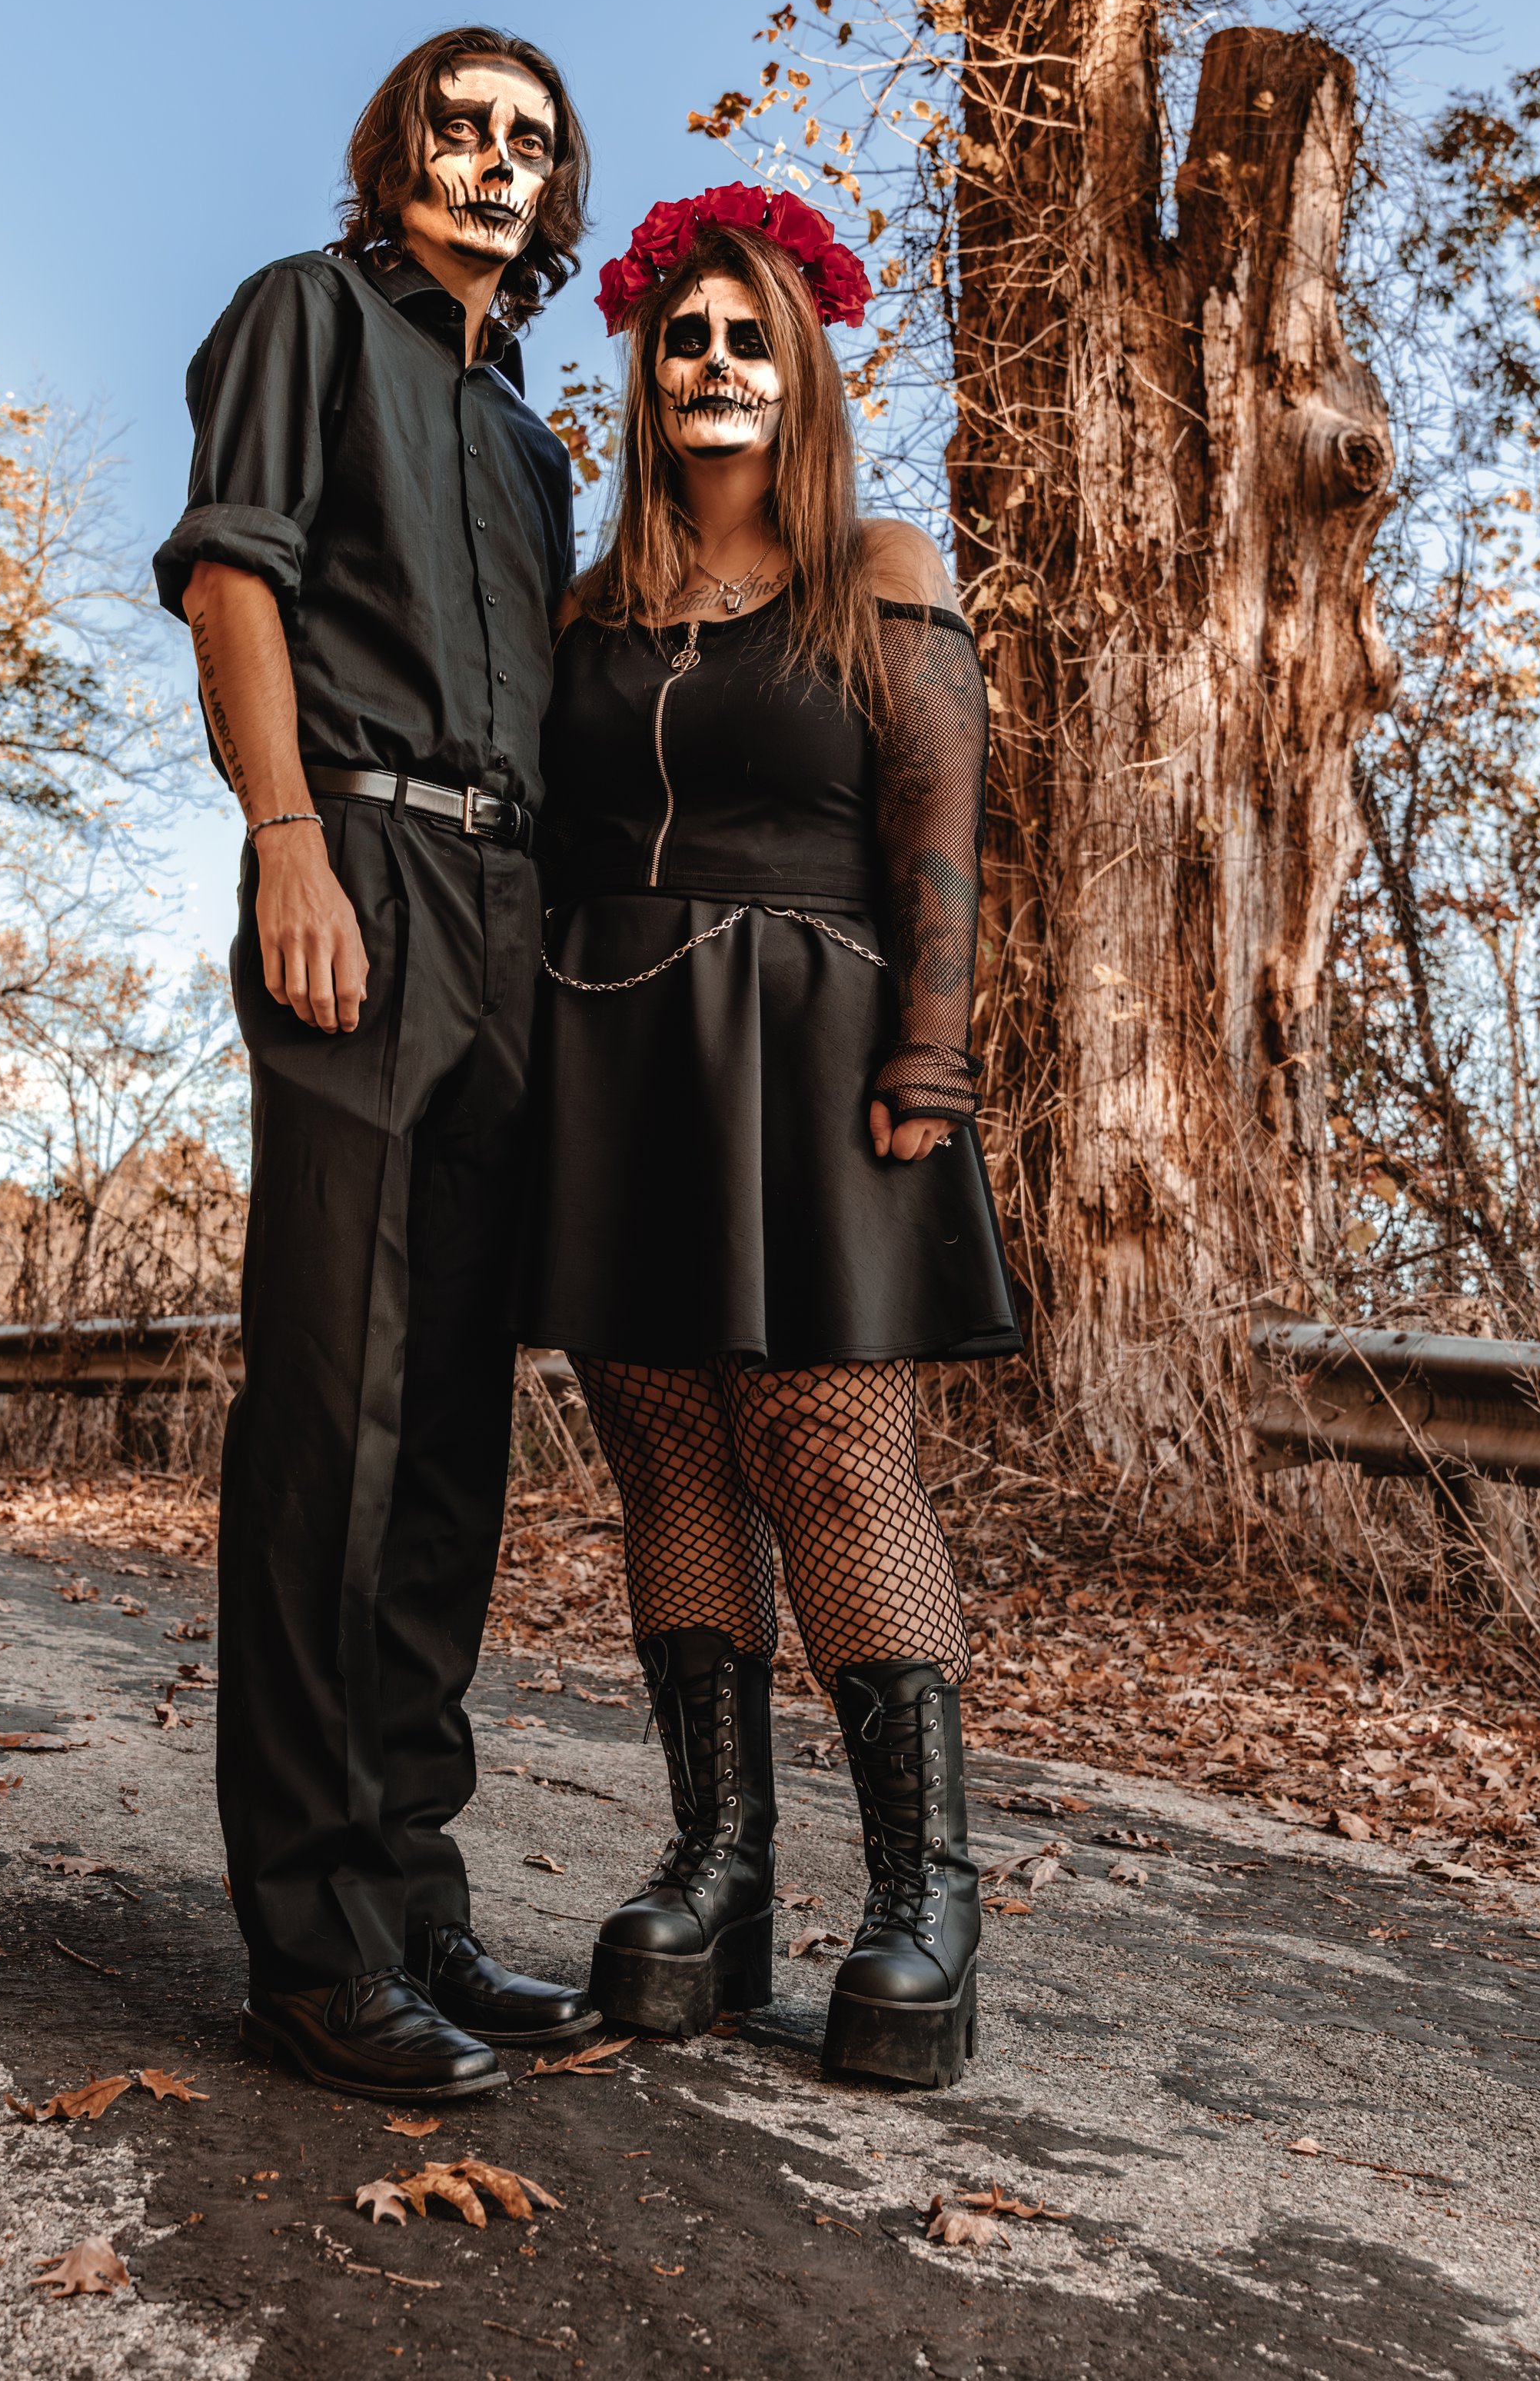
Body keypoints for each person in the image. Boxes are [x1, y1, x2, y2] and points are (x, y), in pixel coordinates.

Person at [527, 184, 1021, 2090]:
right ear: (644, 369)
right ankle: (717, 1871)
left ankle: (921, 1897)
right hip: (613, 1048)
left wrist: (933, 1053)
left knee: (825, 1436)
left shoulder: (879, 568)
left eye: (747, 336)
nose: (712, 362)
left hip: (819, 1041)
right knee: (661, 1436)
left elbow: (940, 826)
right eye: (681, 334)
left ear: (797, 364)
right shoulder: (583, 604)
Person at [153, 28, 603, 2103]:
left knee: (446, 1437)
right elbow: (234, 577)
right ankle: (307, 1944)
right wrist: (288, 847)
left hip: (515, 928)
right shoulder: (300, 316)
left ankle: (414, 1893)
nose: (491, 161)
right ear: (396, 151)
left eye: (528, 139)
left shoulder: (532, 447)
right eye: (461, 125)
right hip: (355, 870)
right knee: (332, 1415)